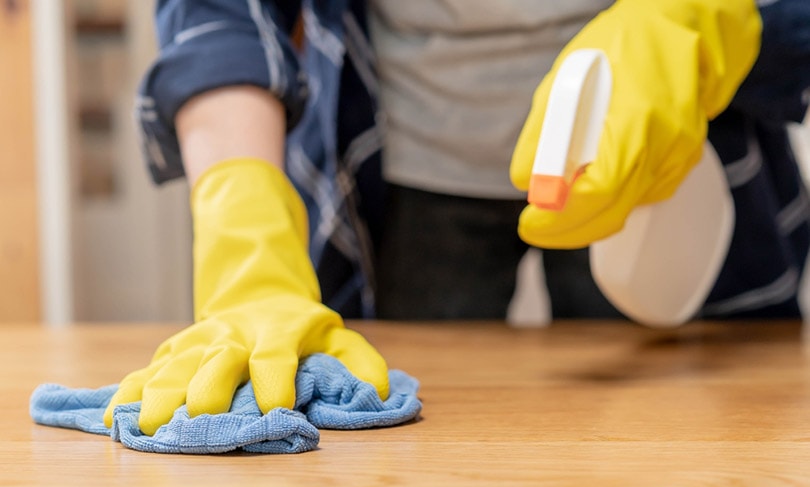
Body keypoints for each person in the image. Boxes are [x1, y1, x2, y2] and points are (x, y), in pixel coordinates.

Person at [104, 0, 810, 435]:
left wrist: (708, 17)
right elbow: (222, 11)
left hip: (658, 156)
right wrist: (242, 215)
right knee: (389, 465)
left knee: (692, 443)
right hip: (399, 168)